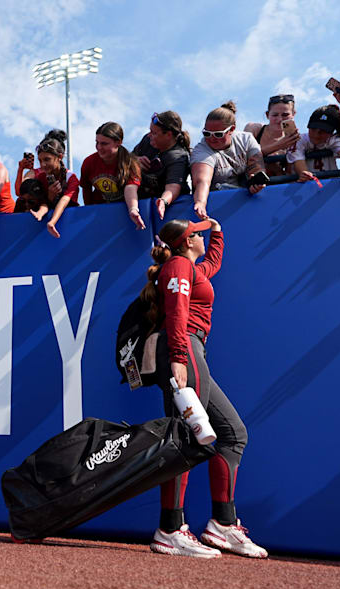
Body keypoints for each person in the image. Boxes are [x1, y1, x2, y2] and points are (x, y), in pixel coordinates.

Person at [140, 218, 266, 559]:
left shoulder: (192, 267)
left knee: (232, 434)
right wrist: (180, 358)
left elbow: (213, 262)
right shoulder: (178, 265)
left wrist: (218, 229)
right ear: (186, 241)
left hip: (193, 351)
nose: (202, 236)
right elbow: (177, 312)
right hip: (185, 350)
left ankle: (223, 525)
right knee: (185, 438)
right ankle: (170, 530)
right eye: (198, 233)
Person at [190, 102, 267, 219]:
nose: (211, 138)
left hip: (244, 199)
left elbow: (257, 168)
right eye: (206, 133)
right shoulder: (201, 150)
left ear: (232, 129)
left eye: (218, 134)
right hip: (217, 202)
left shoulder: (246, 139)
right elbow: (202, 181)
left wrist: (255, 182)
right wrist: (200, 203)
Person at [125, 112, 193, 229]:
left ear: (168, 135)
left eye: (154, 133)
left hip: (168, 211)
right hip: (140, 201)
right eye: (150, 131)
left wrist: (163, 201)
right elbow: (126, 160)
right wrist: (135, 161)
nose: (149, 135)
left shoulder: (178, 157)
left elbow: (173, 187)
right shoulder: (147, 140)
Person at [289, 105, 340, 182]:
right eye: (313, 128)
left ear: (331, 132)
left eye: (323, 131)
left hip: (331, 185)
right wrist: (304, 173)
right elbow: (298, 160)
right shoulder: (299, 140)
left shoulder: (334, 139)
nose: (317, 134)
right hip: (306, 187)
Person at [78, 122, 137, 206]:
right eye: (97, 142)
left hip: (125, 208)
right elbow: (86, 189)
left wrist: (133, 209)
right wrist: (89, 210)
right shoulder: (89, 162)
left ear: (118, 142)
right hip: (101, 209)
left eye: (104, 144)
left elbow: (131, 189)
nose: (99, 147)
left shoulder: (130, 163)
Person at [242, 94, 300, 177]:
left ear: (293, 114)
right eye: (275, 115)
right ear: (267, 115)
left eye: (285, 115)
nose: (280, 119)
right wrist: (278, 145)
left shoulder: (294, 139)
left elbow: (290, 173)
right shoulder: (254, 129)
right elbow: (242, 156)